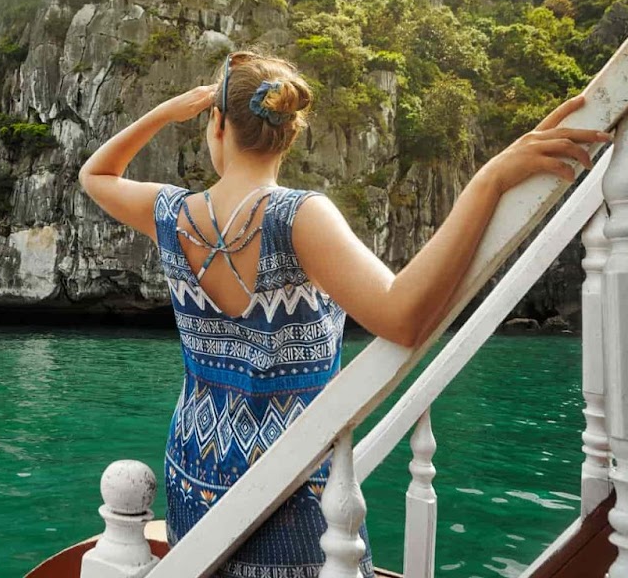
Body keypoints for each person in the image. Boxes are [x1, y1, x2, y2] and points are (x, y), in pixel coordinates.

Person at [77, 50, 610, 575]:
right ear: (289, 133)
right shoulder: (298, 217)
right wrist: (488, 182)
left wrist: (171, 110)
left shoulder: (171, 214)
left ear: (216, 123)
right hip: (293, 477)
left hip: (195, 468)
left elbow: (96, 174)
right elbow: (400, 315)